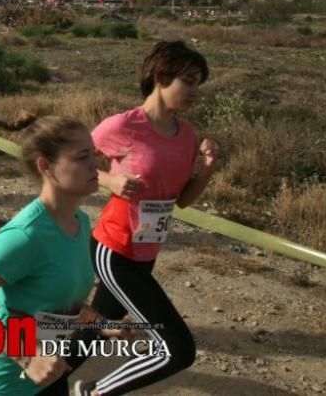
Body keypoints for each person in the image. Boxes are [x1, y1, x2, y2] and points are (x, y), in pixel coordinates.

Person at [71, 41, 220, 396]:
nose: (195, 91)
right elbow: (75, 163)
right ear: (160, 77)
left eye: (199, 83)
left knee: (96, 326)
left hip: (148, 250)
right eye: (188, 81)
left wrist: (209, 168)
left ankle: (39, 376)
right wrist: (109, 180)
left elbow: (182, 200)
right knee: (176, 350)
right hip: (115, 248)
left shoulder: (186, 135)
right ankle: (92, 392)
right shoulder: (122, 125)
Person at [0, 116, 101, 395]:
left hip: (49, 375)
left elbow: (57, 297)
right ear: (46, 166)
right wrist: (27, 355)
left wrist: (95, 321)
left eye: (94, 153)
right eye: (82, 156)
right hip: (3, 383)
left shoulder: (79, 221)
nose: (95, 164)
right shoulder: (26, 234)